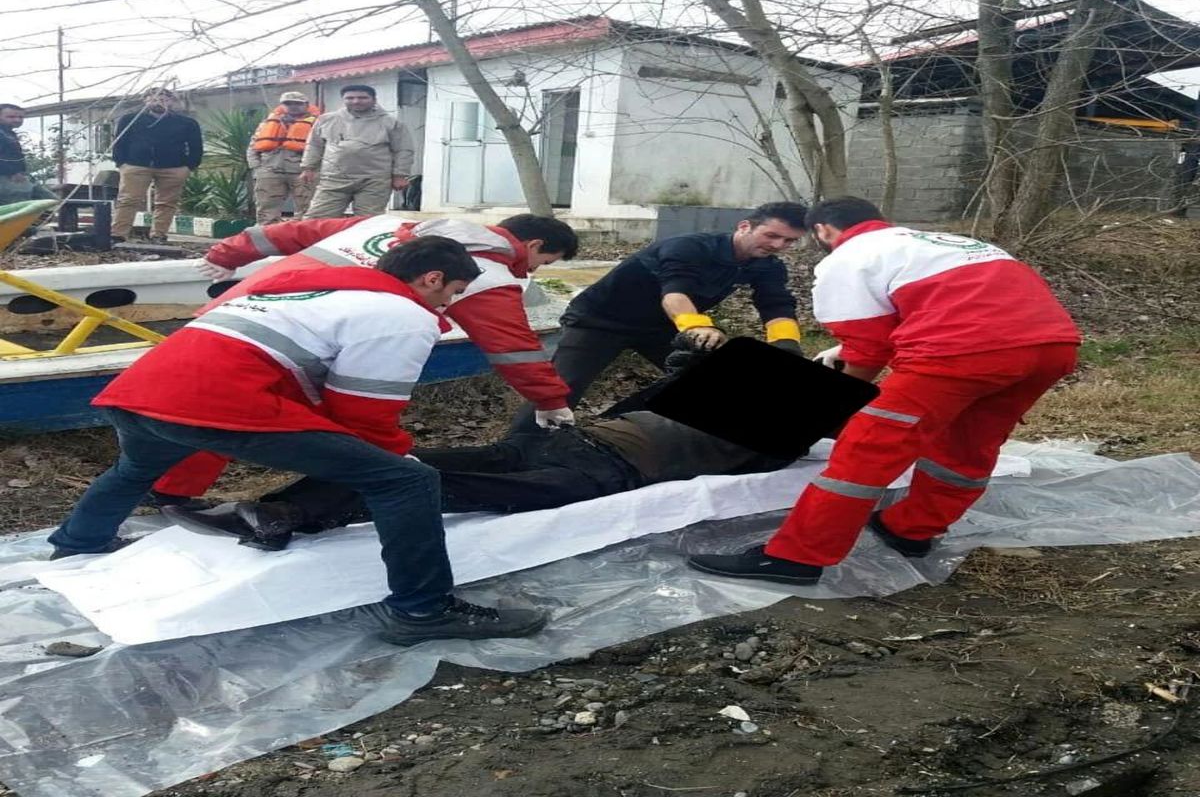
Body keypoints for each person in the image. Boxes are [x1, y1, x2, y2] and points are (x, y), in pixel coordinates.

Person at [46, 235, 547, 646]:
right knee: (407, 481)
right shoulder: (400, 313)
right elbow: (364, 412)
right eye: (452, 291)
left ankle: (78, 545)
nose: (449, 304)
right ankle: (423, 610)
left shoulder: (303, 289)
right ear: (431, 278)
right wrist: (394, 456)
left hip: (140, 391)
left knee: (135, 469)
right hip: (212, 400)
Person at [687, 197, 1081, 586]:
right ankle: (911, 529)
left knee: (868, 449)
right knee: (968, 443)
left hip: (960, 353)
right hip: (1052, 347)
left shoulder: (849, 256)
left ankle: (794, 558)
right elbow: (935, 310)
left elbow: (868, 352)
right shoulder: (945, 244)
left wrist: (815, 410)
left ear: (822, 231)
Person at [162, 350, 798, 551]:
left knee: (432, 481)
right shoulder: (704, 408)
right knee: (421, 466)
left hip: (603, 466)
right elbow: (655, 392)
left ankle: (284, 514)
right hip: (574, 447)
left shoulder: (756, 435)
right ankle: (269, 508)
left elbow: (773, 457)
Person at [146, 213, 580, 504]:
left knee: (202, 406)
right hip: (309, 343)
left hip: (243, 310)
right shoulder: (488, 274)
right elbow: (514, 349)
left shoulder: (392, 222)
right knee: (255, 417)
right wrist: (550, 401)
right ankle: (323, 495)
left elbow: (292, 232)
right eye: (544, 260)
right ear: (534, 243)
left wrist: (230, 253)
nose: (535, 270)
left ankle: (159, 488)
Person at [509, 202, 808, 433]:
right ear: (745, 226)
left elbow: (776, 304)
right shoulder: (689, 247)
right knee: (561, 388)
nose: (778, 246)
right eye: (772, 236)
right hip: (599, 322)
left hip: (660, 328)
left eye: (789, 241)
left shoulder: (767, 265)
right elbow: (675, 293)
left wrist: (787, 347)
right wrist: (699, 328)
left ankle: (676, 435)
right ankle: (518, 447)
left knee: (718, 379)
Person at [301, 85, 414, 218]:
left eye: (362, 97)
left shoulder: (390, 122)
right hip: (333, 179)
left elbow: (403, 149)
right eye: (350, 98)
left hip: (374, 180)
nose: (356, 101)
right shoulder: (326, 120)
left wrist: (400, 175)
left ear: (374, 99)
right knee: (316, 219)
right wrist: (308, 168)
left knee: (367, 222)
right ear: (343, 100)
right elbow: (314, 145)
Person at [111, 88, 203, 244]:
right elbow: (119, 143)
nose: (159, 101)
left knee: (166, 203)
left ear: (171, 101)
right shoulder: (130, 120)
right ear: (145, 100)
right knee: (129, 200)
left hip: (174, 168)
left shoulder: (186, 123)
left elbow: (196, 147)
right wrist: (121, 163)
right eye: (154, 98)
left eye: (164, 98)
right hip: (136, 165)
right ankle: (118, 235)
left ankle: (159, 235)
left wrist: (188, 167)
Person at [247, 92, 320, 224]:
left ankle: (303, 240)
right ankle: (267, 239)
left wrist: (315, 169)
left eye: (297, 103)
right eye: (288, 103)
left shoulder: (318, 124)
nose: (293, 106)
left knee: (308, 209)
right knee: (266, 210)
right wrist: (256, 168)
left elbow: (324, 147)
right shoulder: (267, 123)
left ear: (306, 105)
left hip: (303, 172)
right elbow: (253, 146)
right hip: (270, 170)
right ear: (282, 105)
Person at [0, 103, 57, 207]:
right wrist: (12, 172)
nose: (17, 120)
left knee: (50, 200)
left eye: (20, 117)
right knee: (17, 208)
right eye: (11, 117)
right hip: (7, 178)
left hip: (19, 176)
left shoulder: (8, 133)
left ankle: (34, 222)